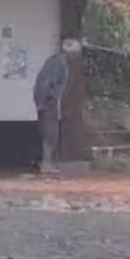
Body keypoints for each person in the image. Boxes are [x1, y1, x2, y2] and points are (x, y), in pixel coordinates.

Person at [33, 38, 80, 174]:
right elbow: (46, 83)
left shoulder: (59, 62)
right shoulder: (57, 63)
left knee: (50, 132)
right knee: (50, 133)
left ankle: (47, 162)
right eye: (76, 53)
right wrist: (44, 102)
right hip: (48, 102)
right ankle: (46, 163)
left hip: (48, 101)